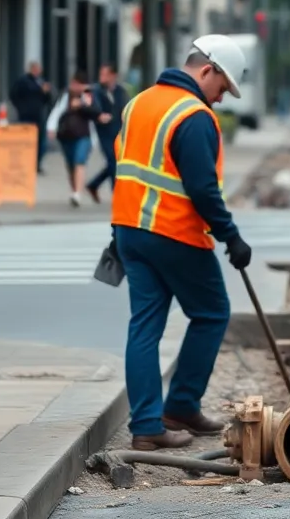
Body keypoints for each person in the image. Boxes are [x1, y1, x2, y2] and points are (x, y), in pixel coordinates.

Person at [110, 34, 253, 450]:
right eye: (222, 87)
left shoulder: (139, 103)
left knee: (144, 328)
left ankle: (147, 427)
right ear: (206, 70)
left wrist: (117, 233)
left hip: (129, 231)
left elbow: (125, 166)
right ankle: (182, 404)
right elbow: (203, 189)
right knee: (211, 313)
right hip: (173, 232)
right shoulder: (192, 116)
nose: (221, 99)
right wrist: (232, 237)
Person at [86, 63, 130, 204]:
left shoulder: (120, 91)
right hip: (103, 132)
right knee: (113, 160)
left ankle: (94, 185)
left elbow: (126, 108)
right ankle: (116, 194)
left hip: (118, 131)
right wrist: (99, 114)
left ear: (113, 76)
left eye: (105, 74)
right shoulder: (96, 90)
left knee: (115, 161)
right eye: (101, 74)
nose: (102, 77)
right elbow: (93, 105)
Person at [54, 85, 99, 206]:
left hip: (84, 136)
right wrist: (51, 127)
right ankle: (74, 190)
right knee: (70, 164)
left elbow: (95, 111)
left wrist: (81, 105)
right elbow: (57, 111)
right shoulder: (65, 96)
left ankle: (78, 193)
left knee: (79, 161)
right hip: (67, 136)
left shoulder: (88, 96)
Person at [9, 61, 53, 173]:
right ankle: (26, 164)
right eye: (36, 69)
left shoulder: (41, 82)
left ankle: (37, 164)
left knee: (41, 142)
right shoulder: (23, 81)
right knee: (26, 141)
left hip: (39, 115)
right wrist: (20, 108)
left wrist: (47, 93)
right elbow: (14, 94)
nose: (38, 71)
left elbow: (47, 98)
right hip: (26, 116)